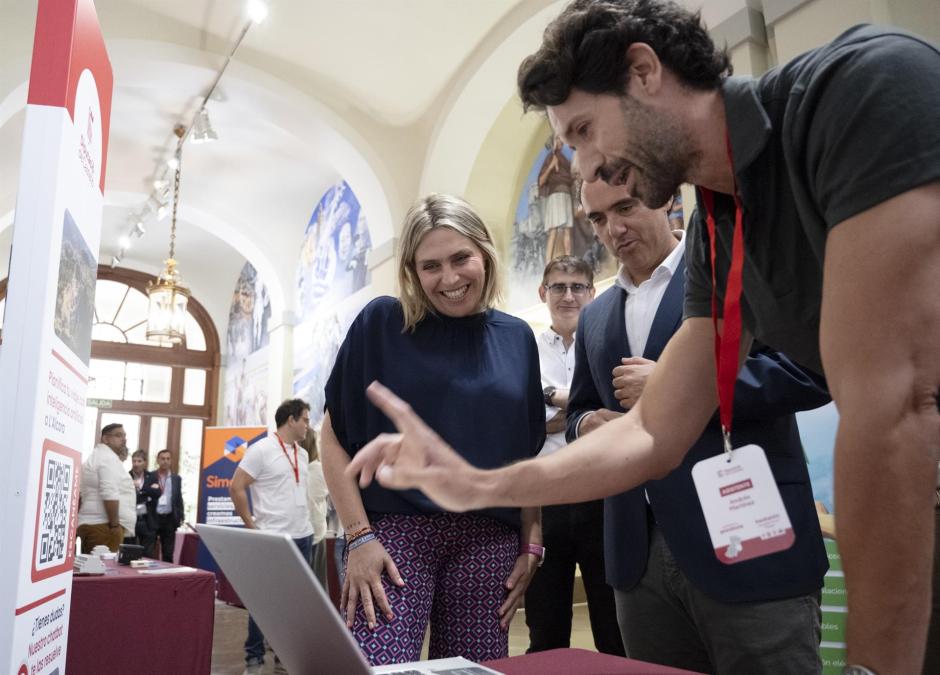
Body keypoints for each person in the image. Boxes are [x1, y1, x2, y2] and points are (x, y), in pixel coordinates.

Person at [347, 3, 940, 673]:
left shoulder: (858, 89)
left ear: (643, 69)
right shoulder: (721, 225)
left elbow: (895, 407)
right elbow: (654, 431)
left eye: (582, 129)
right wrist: (479, 483)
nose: (581, 162)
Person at [574, 178, 830, 673]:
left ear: (666, 197)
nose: (614, 228)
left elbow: (813, 371)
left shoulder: (738, 266)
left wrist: (682, 386)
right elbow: (583, 407)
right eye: (598, 218)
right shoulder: (596, 316)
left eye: (625, 206)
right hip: (638, 559)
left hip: (751, 541)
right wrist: (587, 426)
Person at [321, 193, 545, 666]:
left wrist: (531, 541)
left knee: (473, 670)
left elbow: (526, 457)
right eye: (431, 266)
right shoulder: (381, 322)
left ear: (484, 252)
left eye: (461, 258)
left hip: (488, 537)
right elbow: (333, 436)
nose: (449, 278)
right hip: (396, 533)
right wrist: (358, 536)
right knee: (375, 664)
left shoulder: (518, 338)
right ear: (412, 271)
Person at [524, 256, 624, 657]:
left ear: (591, 292)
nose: (568, 295)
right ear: (543, 293)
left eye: (577, 286)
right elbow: (523, 421)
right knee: (546, 628)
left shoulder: (610, 339)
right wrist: (579, 411)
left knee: (613, 625)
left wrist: (549, 400)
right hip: (547, 501)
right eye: (559, 287)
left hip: (605, 498)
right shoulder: (524, 348)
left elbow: (618, 411)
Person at [230, 398, 314, 675]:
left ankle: (284, 655)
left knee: (295, 601)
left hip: (303, 536)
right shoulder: (261, 450)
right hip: (273, 538)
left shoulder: (301, 453)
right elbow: (236, 486)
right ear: (291, 420)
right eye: (305, 419)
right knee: (265, 600)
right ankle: (253, 659)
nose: (307, 425)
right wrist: (250, 525)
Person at [76, 423, 135, 553]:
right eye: (118, 435)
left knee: (90, 570)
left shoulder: (96, 457)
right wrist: (114, 525)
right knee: (104, 570)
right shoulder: (108, 458)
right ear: (105, 439)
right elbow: (109, 493)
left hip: (90, 522)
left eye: (124, 436)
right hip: (104, 526)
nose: (123, 439)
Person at [303, 428, 329, 587]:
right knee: (317, 583)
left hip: (306, 530)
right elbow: (323, 494)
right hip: (316, 531)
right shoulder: (317, 469)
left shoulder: (307, 469)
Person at [153, 449, 184, 563]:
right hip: (154, 518)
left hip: (169, 519)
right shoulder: (151, 476)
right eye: (162, 458)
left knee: (168, 553)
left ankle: (167, 577)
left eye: (168, 459)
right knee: (149, 551)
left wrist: (181, 516)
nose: (165, 461)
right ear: (158, 460)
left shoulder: (176, 478)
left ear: (171, 461)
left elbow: (178, 498)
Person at [129, 450, 160, 557]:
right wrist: (147, 492)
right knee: (130, 553)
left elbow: (157, 493)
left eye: (139, 461)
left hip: (148, 521)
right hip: (131, 520)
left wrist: (141, 488)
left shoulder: (152, 476)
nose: (136, 464)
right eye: (134, 461)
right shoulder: (126, 476)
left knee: (147, 554)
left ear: (145, 463)